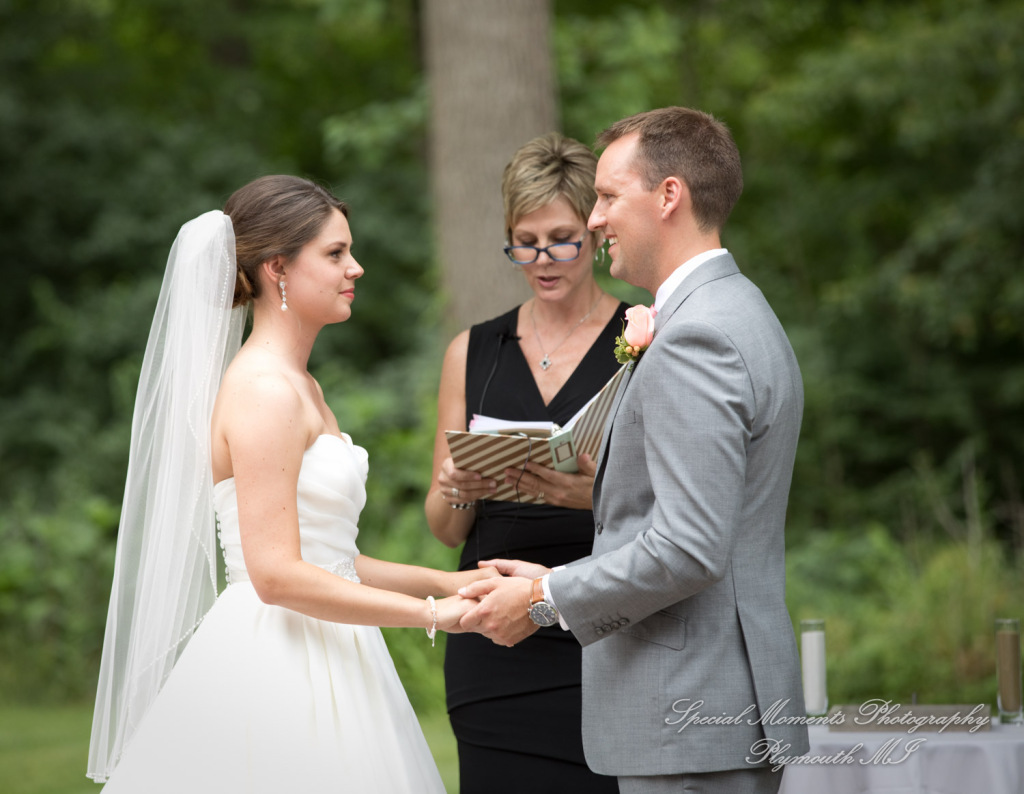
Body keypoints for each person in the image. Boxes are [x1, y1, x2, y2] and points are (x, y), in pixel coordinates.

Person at [87, 175, 494, 792]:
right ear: (278, 267)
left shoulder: (302, 386)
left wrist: (449, 580)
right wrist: (434, 614)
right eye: (335, 253)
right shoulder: (263, 392)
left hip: (331, 639)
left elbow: (334, 559)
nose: (355, 268)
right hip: (277, 658)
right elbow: (275, 574)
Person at [459, 108, 811, 794]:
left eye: (611, 196)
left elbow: (688, 546)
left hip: (690, 718)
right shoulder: (740, 308)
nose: (595, 219)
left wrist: (543, 596)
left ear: (670, 196)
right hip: (715, 709)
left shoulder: (694, 338)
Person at [426, 133, 623, 793]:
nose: (543, 259)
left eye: (562, 238)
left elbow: (674, 511)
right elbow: (446, 529)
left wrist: (594, 495)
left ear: (595, 233)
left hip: (602, 627)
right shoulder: (473, 350)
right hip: (491, 642)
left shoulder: (641, 340)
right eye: (525, 241)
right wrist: (456, 488)